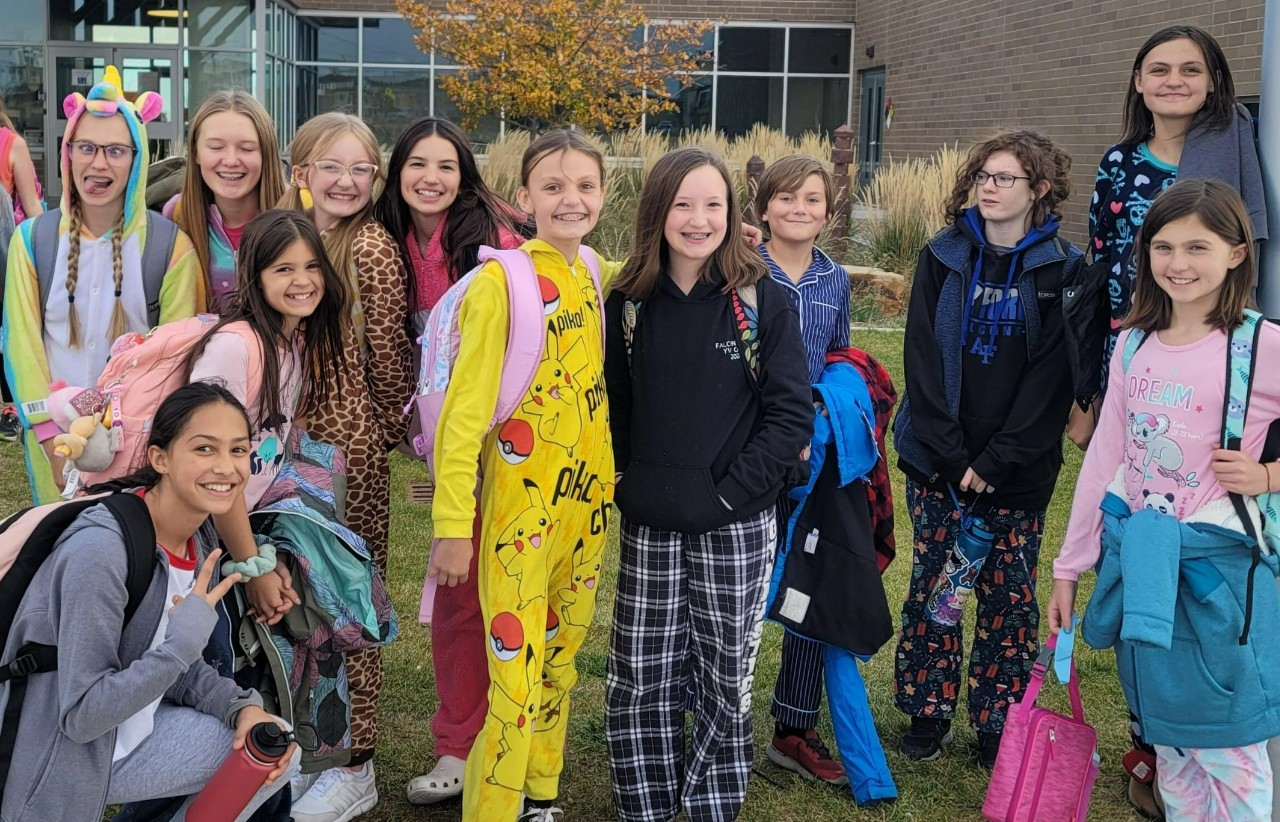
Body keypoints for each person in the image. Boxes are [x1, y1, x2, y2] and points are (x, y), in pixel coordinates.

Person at [1050, 179, 1280, 821]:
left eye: (1198, 247)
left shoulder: (1259, 346)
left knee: (1229, 750)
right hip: (1142, 571)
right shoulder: (1134, 343)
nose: (1179, 264)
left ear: (1237, 252)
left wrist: (1267, 477)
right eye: (1164, 247)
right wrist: (1069, 566)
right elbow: (1105, 460)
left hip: (1218, 580)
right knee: (1172, 745)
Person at [603, 147, 812, 822]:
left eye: (713, 204)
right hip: (652, 522)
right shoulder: (629, 303)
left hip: (736, 522)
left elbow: (789, 418)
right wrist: (632, 481)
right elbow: (619, 406)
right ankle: (646, 803)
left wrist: (726, 494)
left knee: (726, 675)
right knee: (642, 674)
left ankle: (708, 806)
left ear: (732, 210)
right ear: (657, 211)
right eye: (682, 204)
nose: (698, 219)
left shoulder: (761, 299)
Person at [0, 381, 300, 821]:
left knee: (269, 749)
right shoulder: (100, 552)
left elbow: (160, 655)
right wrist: (182, 645)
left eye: (238, 451)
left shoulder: (200, 536)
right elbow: (81, 717)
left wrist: (243, 708)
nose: (227, 468)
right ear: (160, 458)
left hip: (125, 731)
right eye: (204, 449)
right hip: (55, 753)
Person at [427, 128, 613, 822]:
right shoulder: (502, 285)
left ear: (603, 194)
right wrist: (452, 528)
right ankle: (494, 808)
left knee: (561, 660)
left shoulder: (592, 271)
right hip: (516, 519)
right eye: (554, 186)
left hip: (586, 513)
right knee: (514, 672)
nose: (571, 199)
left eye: (585, 186)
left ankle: (541, 793)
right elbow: (463, 421)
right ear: (523, 198)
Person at [891, 129, 1081, 768]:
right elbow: (921, 355)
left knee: (1008, 597)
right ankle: (926, 710)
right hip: (938, 462)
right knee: (936, 586)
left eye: (1006, 179)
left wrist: (996, 460)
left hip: (1016, 469)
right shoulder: (941, 256)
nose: (991, 188)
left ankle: (997, 720)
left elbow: (1052, 379)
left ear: (1040, 190)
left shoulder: (1062, 269)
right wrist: (949, 455)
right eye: (984, 177)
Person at [372, 116, 526, 807]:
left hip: (507, 441)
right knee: (457, 596)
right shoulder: (384, 244)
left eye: (445, 166)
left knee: (511, 594)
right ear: (396, 171)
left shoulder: (496, 242)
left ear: (464, 175)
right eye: (417, 164)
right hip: (445, 451)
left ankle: (512, 739)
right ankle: (458, 745)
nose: (430, 178)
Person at [280, 111, 413, 822]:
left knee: (349, 602)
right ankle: (317, 746)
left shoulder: (369, 248)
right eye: (330, 166)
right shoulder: (305, 237)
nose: (345, 179)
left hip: (346, 451)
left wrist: (385, 437)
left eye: (361, 167)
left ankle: (356, 761)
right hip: (296, 447)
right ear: (301, 172)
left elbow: (391, 363)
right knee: (304, 602)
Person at [3, 68, 202, 505]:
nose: (99, 163)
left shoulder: (171, 249)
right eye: (86, 147)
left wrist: (137, 445)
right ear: (67, 153)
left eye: (115, 150)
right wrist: (50, 438)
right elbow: (22, 347)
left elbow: (173, 361)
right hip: (52, 444)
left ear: (137, 157)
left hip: (137, 448)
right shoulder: (33, 242)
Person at [1072, 24, 1267, 451]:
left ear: (1213, 80)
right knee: (1129, 464)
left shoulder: (1238, 152)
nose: (1174, 80)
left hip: (1207, 344)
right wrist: (1090, 386)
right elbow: (1103, 256)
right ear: (1139, 81)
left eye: (1191, 70)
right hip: (1128, 338)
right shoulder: (1119, 161)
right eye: (1159, 70)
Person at [752, 154, 853, 785]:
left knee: (808, 587)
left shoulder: (834, 279)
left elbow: (839, 356)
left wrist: (831, 416)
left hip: (813, 457)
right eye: (786, 198)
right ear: (763, 208)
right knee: (736, 588)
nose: (799, 209)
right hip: (749, 450)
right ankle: (704, 712)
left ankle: (792, 726)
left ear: (828, 211)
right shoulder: (738, 270)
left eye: (812, 199)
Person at [166, 91, 288, 312]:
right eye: (216, 147)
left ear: (266, 153)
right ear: (195, 153)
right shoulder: (176, 215)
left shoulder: (297, 214)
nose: (231, 160)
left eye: (247, 148)